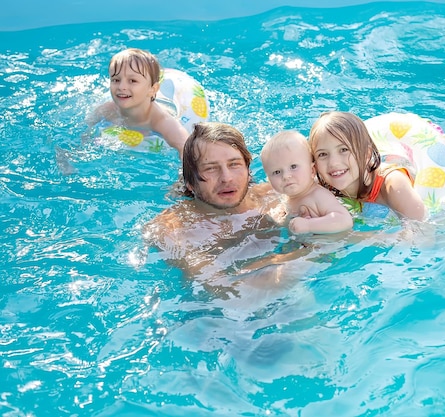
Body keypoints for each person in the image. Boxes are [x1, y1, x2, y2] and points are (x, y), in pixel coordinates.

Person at [143, 122, 310, 294]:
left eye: (234, 164)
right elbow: (224, 291)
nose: (226, 178)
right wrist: (304, 255)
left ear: (248, 170)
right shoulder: (172, 228)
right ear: (190, 183)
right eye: (211, 169)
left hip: (288, 292)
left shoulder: (276, 196)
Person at [309, 111, 428, 221]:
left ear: (367, 153)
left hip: (403, 161)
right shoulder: (318, 187)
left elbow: (422, 234)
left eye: (344, 149)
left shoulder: (393, 185)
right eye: (322, 154)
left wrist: (352, 237)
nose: (333, 163)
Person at [87, 48, 189, 157]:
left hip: (168, 103)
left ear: (153, 89)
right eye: (116, 80)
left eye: (132, 81)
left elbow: (186, 150)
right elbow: (86, 136)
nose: (122, 87)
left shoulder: (162, 121)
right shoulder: (106, 110)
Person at [260, 131, 353, 234]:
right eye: (277, 172)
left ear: (312, 170)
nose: (286, 176)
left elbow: (345, 220)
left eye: (293, 167)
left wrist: (309, 225)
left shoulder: (318, 195)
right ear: (269, 180)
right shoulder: (287, 198)